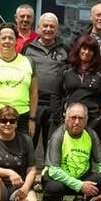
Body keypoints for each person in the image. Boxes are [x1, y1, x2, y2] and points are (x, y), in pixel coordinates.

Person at [40, 102, 101, 201]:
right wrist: (80, 185)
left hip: (80, 177)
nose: (77, 122)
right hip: (58, 178)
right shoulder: (58, 135)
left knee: (100, 180)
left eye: (81, 118)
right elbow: (54, 170)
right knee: (55, 187)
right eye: (73, 117)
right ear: (66, 118)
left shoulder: (91, 135)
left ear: (86, 120)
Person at [23, 13, 70, 149]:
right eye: (45, 26)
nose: (48, 29)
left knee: (52, 143)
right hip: (32, 103)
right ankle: (27, 169)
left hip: (54, 104)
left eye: (52, 26)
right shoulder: (28, 48)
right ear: (38, 28)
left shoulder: (65, 49)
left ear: (56, 29)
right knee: (29, 141)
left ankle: (50, 169)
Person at [61, 34, 101, 138]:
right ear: (78, 49)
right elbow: (57, 95)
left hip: (94, 122)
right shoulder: (66, 70)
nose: (87, 52)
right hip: (69, 121)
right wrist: (59, 119)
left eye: (91, 50)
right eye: (84, 48)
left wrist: (99, 120)